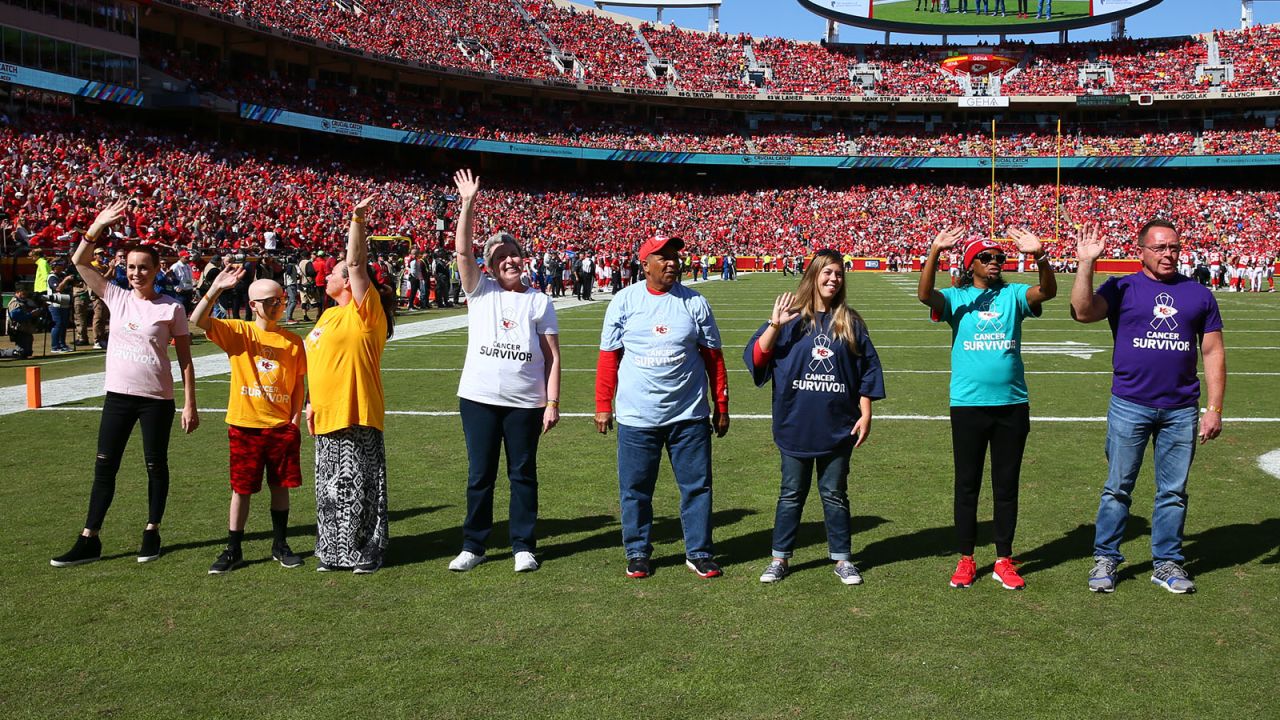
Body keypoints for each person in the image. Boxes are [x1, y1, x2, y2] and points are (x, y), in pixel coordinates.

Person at [1070, 220, 1225, 594]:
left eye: (1173, 247)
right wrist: (1086, 263)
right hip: (1129, 404)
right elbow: (1083, 311)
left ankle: (1167, 562)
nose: (1168, 254)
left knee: (1173, 491)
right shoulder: (1122, 286)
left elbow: (1213, 350)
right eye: (1159, 248)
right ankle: (1106, 557)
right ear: (1141, 251)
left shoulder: (1198, 294)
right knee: (1117, 488)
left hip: (1181, 408)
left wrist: (1214, 408)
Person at [51, 200, 199, 567]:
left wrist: (190, 404)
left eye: (143, 268)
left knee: (155, 466)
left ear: (156, 269)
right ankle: (90, 538)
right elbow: (80, 263)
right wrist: (97, 225)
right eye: (131, 267)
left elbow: (185, 361)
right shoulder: (114, 296)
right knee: (105, 466)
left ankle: (152, 531)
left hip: (156, 400)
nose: (136, 273)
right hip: (118, 397)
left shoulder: (172, 308)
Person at [917, 227, 1056, 591]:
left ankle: (1003, 559)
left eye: (999, 258)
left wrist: (1039, 256)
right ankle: (966, 557)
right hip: (967, 405)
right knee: (967, 485)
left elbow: (1048, 291)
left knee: (1006, 486)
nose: (995, 262)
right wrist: (934, 250)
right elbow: (924, 294)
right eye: (986, 257)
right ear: (970, 264)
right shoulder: (957, 297)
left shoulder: (1012, 294)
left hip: (1012, 404)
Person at [745, 249, 886, 585]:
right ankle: (780, 558)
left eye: (838, 274)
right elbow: (756, 358)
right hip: (796, 422)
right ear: (813, 276)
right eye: (827, 273)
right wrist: (774, 325)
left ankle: (843, 559)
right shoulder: (790, 318)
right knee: (791, 493)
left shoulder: (850, 321)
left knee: (835, 493)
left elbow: (867, 369)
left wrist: (866, 412)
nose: (833, 279)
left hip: (837, 424)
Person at [446, 169, 562, 574]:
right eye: (499, 256)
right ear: (489, 266)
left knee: (522, 474)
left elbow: (553, 357)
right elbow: (462, 254)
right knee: (480, 475)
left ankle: (522, 545)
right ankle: (474, 545)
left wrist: (552, 402)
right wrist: (467, 204)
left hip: (526, 404)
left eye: (512, 253)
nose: (508, 259)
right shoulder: (480, 291)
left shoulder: (540, 301)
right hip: (478, 399)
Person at [595, 234, 730, 580]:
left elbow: (714, 358)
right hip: (637, 416)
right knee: (635, 490)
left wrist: (722, 405)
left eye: (675, 256)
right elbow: (609, 357)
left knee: (697, 487)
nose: (672, 262)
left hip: (689, 415)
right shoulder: (624, 302)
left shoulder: (695, 302)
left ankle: (698, 551)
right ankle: (637, 551)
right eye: (663, 257)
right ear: (645, 265)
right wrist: (602, 404)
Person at [191, 264, 307, 574]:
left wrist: (294, 422)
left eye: (280, 299)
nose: (277, 305)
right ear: (253, 305)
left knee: (280, 486)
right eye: (269, 300)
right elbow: (197, 319)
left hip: (281, 427)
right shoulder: (238, 331)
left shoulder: (293, 341)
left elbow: (299, 385)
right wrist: (216, 288)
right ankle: (233, 548)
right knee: (241, 489)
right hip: (245, 425)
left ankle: (280, 544)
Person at [304, 195, 392, 574]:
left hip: (356, 411)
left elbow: (356, 262)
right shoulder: (326, 315)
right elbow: (317, 361)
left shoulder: (365, 311)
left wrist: (356, 220)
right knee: (328, 490)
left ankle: (366, 551)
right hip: (324, 414)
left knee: (359, 487)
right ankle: (333, 552)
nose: (329, 277)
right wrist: (310, 401)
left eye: (335, 273)